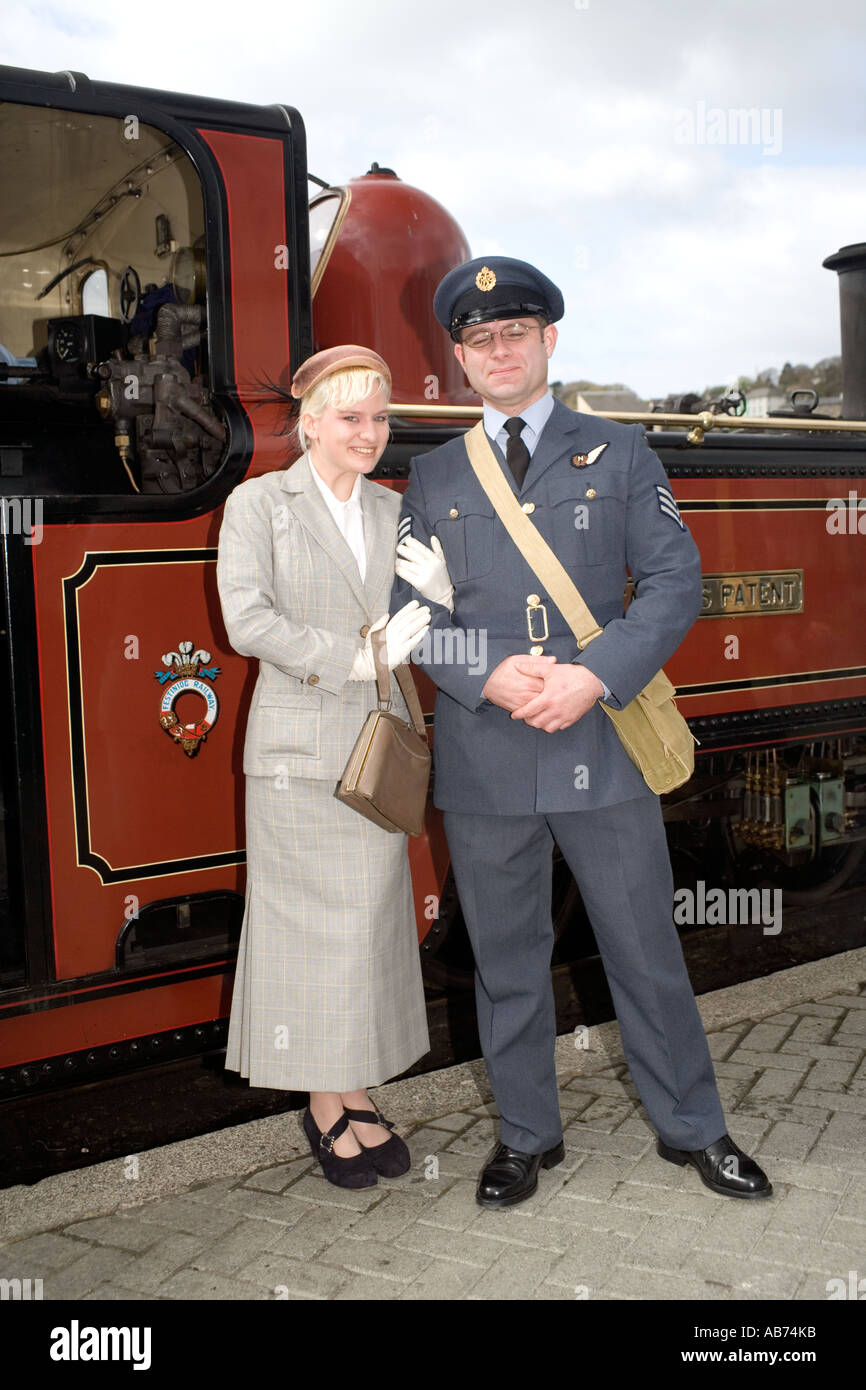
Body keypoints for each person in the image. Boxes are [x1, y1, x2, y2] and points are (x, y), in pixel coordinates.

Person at [392, 257, 772, 1208]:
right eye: (479, 340)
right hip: (487, 754)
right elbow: (410, 614)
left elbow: (676, 584)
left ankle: (696, 1129)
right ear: (461, 360)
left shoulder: (622, 450)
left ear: (549, 340)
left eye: (514, 332)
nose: (498, 350)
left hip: (598, 742)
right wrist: (489, 673)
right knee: (507, 962)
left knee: (645, 949)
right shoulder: (433, 476)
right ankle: (525, 1138)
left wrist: (593, 675)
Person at [217, 345, 431, 1190]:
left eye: (380, 418)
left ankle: (352, 1087)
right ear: (309, 423)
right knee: (311, 935)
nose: (371, 433)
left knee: (369, 928)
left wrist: (432, 610)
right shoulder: (257, 504)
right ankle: (326, 1102)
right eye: (352, 418)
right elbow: (247, 621)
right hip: (300, 756)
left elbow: (420, 620)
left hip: (380, 754)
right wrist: (351, 657)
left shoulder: (393, 511)